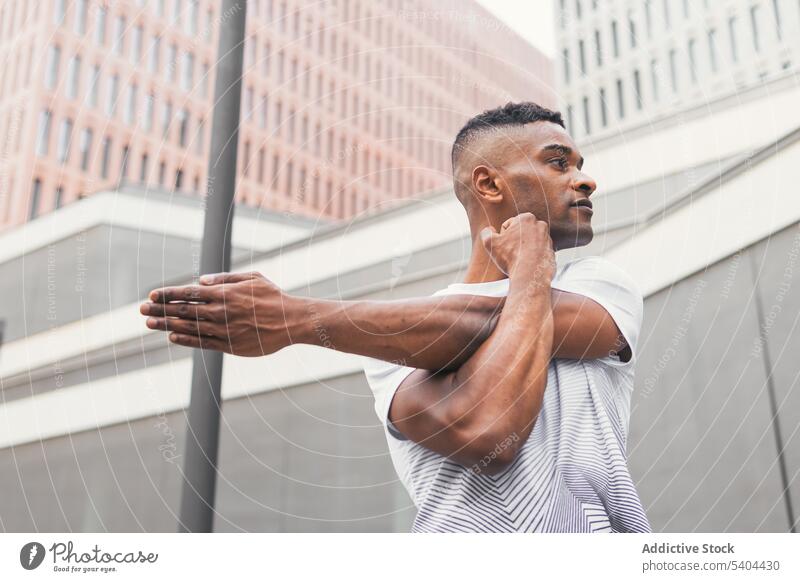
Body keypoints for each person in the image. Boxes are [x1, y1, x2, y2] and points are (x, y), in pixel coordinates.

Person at [140, 102, 651, 532]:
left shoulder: (600, 285)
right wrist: (531, 278)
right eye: (558, 163)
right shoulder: (388, 353)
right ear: (488, 184)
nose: (586, 180)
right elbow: (489, 432)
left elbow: (475, 322)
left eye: (580, 164)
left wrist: (296, 318)